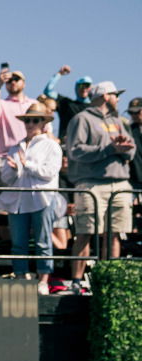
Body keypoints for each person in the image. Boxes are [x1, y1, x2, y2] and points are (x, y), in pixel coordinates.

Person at [65, 81, 134, 295]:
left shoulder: (118, 121)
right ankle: (77, 282)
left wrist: (124, 148)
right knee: (86, 232)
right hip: (91, 184)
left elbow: (132, 151)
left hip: (120, 184)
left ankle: (108, 280)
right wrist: (109, 149)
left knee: (114, 234)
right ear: (105, 96)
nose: (118, 99)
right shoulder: (82, 119)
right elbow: (75, 150)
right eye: (115, 94)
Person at [0, 102, 62, 295]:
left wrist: (26, 165)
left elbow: (49, 173)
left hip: (43, 199)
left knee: (43, 241)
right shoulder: (15, 147)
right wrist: (14, 169)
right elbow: (6, 178)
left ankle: (43, 280)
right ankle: (21, 276)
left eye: (35, 120)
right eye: (28, 120)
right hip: (19, 200)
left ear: (43, 123)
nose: (30, 124)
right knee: (18, 242)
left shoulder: (51, 146)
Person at [0, 69, 35, 157]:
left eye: (16, 79)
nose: (13, 82)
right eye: (9, 81)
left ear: (24, 83)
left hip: (30, 156)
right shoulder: (1, 104)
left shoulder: (34, 104)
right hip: (5, 157)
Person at [43, 65, 92, 138]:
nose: (84, 89)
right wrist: (59, 73)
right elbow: (48, 91)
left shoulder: (94, 108)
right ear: (76, 87)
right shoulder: (66, 104)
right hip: (66, 143)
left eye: (87, 86)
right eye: (81, 86)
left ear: (90, 88)